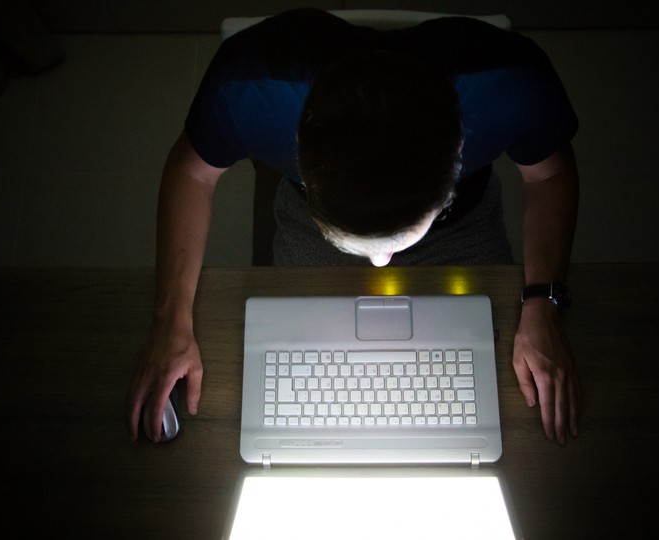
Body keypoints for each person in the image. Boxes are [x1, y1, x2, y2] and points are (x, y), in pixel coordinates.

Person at [126, 8, 581, 445]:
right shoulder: (249, 91)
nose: (381, 262)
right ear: (297, 144)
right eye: (364, 244)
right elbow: (191, 171)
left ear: (460, 147)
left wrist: (542, 300)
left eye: (393, 242)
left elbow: (550, 172)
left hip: (465, 222)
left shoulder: (508, 85)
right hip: (309, 220)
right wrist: (170, 321)